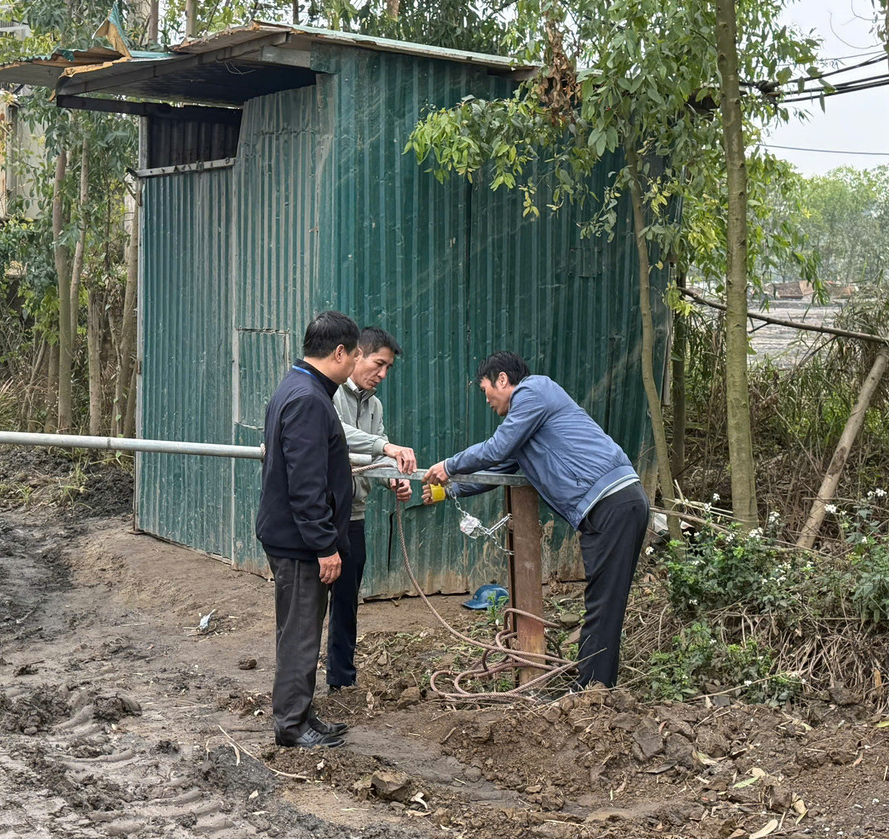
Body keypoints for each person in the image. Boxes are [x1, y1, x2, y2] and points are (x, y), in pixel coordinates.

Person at [424, 352, 649, 689]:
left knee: (603, 606)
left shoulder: (534, 391)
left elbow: (496, 448)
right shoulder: (525, 429)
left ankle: (592, 693)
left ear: (503, 379)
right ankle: (595, 687)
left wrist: (450, 464)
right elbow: (495, 472)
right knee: (604, 603)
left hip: (612, 503)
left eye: (485, 390)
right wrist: (446, 490)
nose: (487, 400)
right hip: (612, 506)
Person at [257, 311, 360, 749]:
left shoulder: (299, 388)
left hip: (296, 538)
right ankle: (291, 726)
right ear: (338, 353)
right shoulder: (309, 400)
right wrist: (324, 544)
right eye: (355, 355)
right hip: (300, 543)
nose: (356, 364)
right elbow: (306, 483)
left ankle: (301, 711)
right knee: (300, 634)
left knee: (301, 631)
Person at [329, 326, 418, 692]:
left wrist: (394, 478)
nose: (382, 374)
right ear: (356, 356)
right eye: (378, 364)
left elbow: (374, 455)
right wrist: (386, 449)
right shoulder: (329, 393)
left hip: (355, 514)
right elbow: (338, 435)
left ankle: (342, 681)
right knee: (309, 605)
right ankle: (297, 687)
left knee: (348, 603)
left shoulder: (374, 404)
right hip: (324, 513)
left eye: (387, 369)